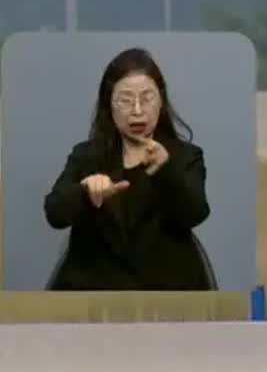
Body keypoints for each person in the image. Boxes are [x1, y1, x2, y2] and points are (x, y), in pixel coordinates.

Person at [42, 47, 215, 290]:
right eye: (125, 100)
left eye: (146, 99)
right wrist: (84, 192)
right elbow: (54, 214)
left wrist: (165, 169)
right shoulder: (87, 156)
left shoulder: (185, 156)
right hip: (95, 286)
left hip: (168, 286)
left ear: (161, 102)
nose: (137, 110)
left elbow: (195, 213)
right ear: (109, 106)